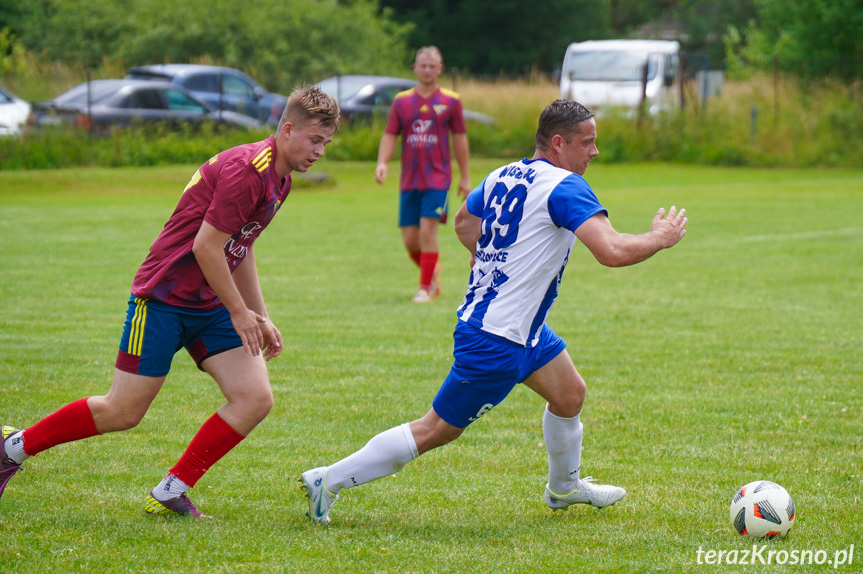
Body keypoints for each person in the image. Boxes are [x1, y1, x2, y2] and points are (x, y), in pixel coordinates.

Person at [301, 99, 688, 525]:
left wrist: (489, 256)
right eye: (588, 142)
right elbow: (612, 251)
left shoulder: (505, 173)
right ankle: (328, 480)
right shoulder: (565, 186)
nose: (594, 151)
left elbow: (465, 222)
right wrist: (661, 238)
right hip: (496, 338)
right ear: (558, 143)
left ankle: (563, 488)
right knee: (436, 429)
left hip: (524, 329)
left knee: (569, 394)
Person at [0, 86, 340, 518]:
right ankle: (12, 448)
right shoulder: (248, 170)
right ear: (288, 129)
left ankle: (170, 490)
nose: (320, 151)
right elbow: (207, 247)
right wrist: (239, 313)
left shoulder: (281, 176)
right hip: (163, 298)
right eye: (315, 140)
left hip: (209, 300)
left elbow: (242, 243)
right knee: (123, 411)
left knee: (254, 398)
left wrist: (260, 314)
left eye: (326, 143)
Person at [374, 46, 471, 304]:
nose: (427, 70)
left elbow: (460, 139)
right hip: (410, 180)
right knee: (410, 240)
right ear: (415, 68)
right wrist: (382, 162)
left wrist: (464, 177)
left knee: (428, 232)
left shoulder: (451, 100)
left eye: (432, 66)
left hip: (438, 179)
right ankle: (432, 269)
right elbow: (390, 134)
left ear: (440, 69)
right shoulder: (401, 101)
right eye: (422, 65)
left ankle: (425, 288)